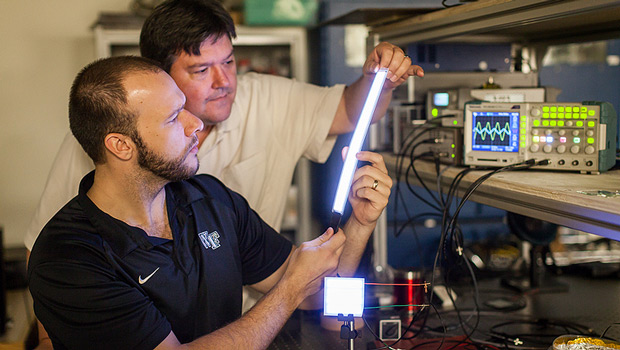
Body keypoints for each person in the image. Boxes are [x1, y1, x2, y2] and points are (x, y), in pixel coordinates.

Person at [28, 55, 393, 350]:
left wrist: (360, 222)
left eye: (185, 107)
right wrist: (289, 290)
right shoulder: (69, 256)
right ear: (121, 145)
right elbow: (295, 288)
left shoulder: (211, 200)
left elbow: (318, 292)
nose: (195, 124)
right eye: (174, 118)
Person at [23, 0, 422, 252]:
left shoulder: (266, 100)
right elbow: (46, 244)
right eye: (201, 70)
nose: (224, 82)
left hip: (252, 304)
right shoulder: (115, 136)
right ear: (159, 75)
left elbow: (353, 111)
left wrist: (377, 81)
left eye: (229, 62)